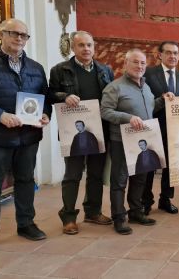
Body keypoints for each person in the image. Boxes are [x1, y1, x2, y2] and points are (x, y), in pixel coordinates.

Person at [0, 19, 51, 252]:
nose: (19, 38)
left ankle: (26, 224)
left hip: (27, 137)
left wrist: (45, 115)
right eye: (14, 33)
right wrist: (0, 115)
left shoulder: (36, 68)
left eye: (24, 35)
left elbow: (44, 99)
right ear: (1, 34)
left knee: (25, 181)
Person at [101, 49, 173, 234]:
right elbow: (105, 111)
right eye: (135, 62)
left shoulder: (145, 86)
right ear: (126, 64)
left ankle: (135, 212)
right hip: (121, 140)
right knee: (120, 180)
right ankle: (119, 218)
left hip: (143, 140)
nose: (139, 66)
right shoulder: (115, 87)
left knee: (140, 178)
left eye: (142, 63)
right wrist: (128, 117)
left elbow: (150, 107)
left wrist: (162, 100)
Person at [49, 30, 114, 235]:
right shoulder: (60, 70)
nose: (86, 49)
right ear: (73, 47)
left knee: (96, 174)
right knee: (72, 175)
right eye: (81, 45)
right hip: (73, 133)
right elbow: (49, 93)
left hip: (98, 131)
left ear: (94, 47)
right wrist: (64, 95)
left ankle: (93, 211)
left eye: (89, 45)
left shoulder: (105, 70)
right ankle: (68, 217)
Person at [142, 41, 179, 215]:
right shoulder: (148, 73)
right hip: (153, 127)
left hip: (176, 130)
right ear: (160, 55)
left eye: (176, 53)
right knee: (149, 166)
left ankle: (165, 199)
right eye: (168, 53)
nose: (172, 56)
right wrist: (161, 98)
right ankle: (145, 201)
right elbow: (144, 101)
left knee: (171, 167)